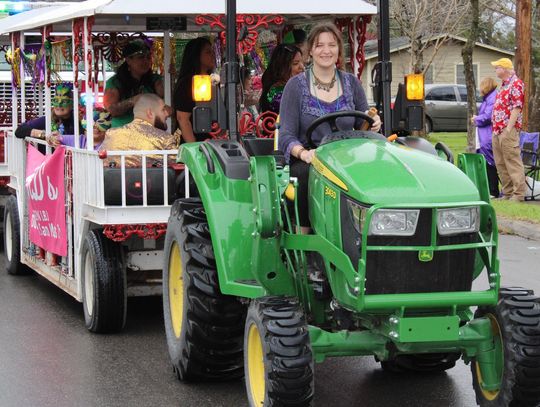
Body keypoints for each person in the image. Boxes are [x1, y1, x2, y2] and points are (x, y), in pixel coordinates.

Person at [278, 22, 381, 229]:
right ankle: (303, 237)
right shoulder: (295, 86)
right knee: (303, 176)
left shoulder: (352, 83)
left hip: (348, 159)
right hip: (311, 158)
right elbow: (286, 136)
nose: (326, 50)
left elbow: (365, 123)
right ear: (311, 51)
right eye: (319, 45)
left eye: (332, 45)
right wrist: (304, 154)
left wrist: (375, 124)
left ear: (339, 50)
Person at [100, 94, 178, 167]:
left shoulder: (111, 134)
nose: (167, 114)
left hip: (114, 181)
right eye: (163, 110)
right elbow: (176, 169)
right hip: (151, 181)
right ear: (150, 113)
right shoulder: (165, 139)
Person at [104, 40, 164, 129]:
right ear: (128, 60)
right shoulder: (115, 82)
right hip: (123, 133)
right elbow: (111, 110)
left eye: (148, 58)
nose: (146, 61)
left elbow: (166, 100)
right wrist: (133, 100)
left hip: (150, 133)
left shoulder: (155, 79)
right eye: (141, 57)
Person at [490, 57, 526, 201]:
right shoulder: (504, 85)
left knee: (512, 161)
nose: (495, 70)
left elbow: (517, 108)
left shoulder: (516, 84)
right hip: (497, 130)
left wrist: (508, 129)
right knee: (500, 163)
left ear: (505, 69)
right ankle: (508, 192)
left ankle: (518, 194)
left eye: (497, 67)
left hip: (508, 130)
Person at [173, 37, 216, 143]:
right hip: (195, 145)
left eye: (212, 52)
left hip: (211, 141)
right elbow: (183, 119)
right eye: (208, 52)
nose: (213, 55)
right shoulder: (187, 82)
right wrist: (195, 148)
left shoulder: (212, 80)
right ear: (196, 56)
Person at [15, 83, 79, 140]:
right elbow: (19, 131)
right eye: (56, 101)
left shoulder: (78, 120)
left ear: (72, 104)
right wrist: (44, 135)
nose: (59, 105)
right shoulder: (47, 120)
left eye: (64, 101)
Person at [472, 77, 499, 198]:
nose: (480, 89)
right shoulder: (488, 98)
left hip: (487, 134)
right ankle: (489, 188)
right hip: (484, 133)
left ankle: (493, 190)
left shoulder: (491, 98)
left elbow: (488, 116)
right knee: (485, 161)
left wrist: (476, 118)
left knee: (489, 161)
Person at [259, 43, 305, 114]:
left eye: (302, 62)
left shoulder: (290, 86)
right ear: (281, 67)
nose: (302, 67)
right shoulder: (277, 93)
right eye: (295, 63)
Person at [47, 111, 112, 150]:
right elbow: (55, 137)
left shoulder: (111, 143)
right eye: (90, 122)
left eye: (100, 122)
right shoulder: (80, 140)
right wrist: (52, 138)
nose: (95, 126)